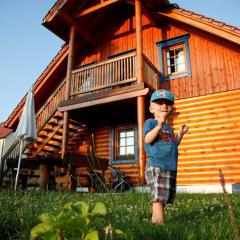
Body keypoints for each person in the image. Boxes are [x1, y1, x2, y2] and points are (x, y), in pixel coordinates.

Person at [144, 89, 189, 224]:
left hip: (169, 166)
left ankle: (155, 220)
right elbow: (147, 139)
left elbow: (173, 144)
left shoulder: (169, 128)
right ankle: (159, 225)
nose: (164, 105)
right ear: (152, 108)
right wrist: (159, 125)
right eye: (159, 103)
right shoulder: (151, 123)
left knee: (163, 196)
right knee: (158, 197)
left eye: (167, 103)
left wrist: (180, 134)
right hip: (156, 165)